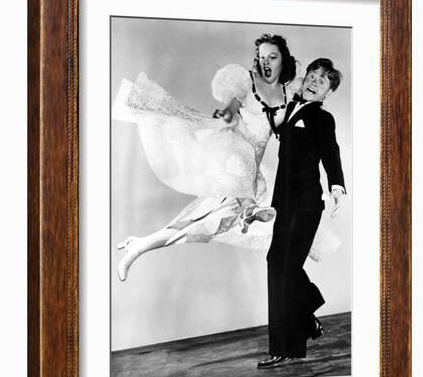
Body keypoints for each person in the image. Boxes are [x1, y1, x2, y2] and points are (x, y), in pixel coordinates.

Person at [113, 36, 340, 283]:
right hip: (232, 155)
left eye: (272, 57)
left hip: (251, 173)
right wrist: (227, 114)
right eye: (261, 57)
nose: (266, 62)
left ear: (283, 60)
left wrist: (332, 178)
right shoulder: (246, 83)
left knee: (199, 224)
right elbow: (231, 109)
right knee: (241, 167)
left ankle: (138, 246)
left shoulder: (290, 92)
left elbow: (311, 106)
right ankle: (249, 209)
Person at [257, 58, 346, 369]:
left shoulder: (323, 118)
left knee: (286, 267)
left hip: (307, 204)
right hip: (283, 203)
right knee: (276, 264)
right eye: (312, 75)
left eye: (323, 81)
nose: (314, 82)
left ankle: (292, 343)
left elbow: (331, 151)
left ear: (328, 93)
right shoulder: (290, 109)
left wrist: (337, 187)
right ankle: (299, 330)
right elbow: (270, 116)